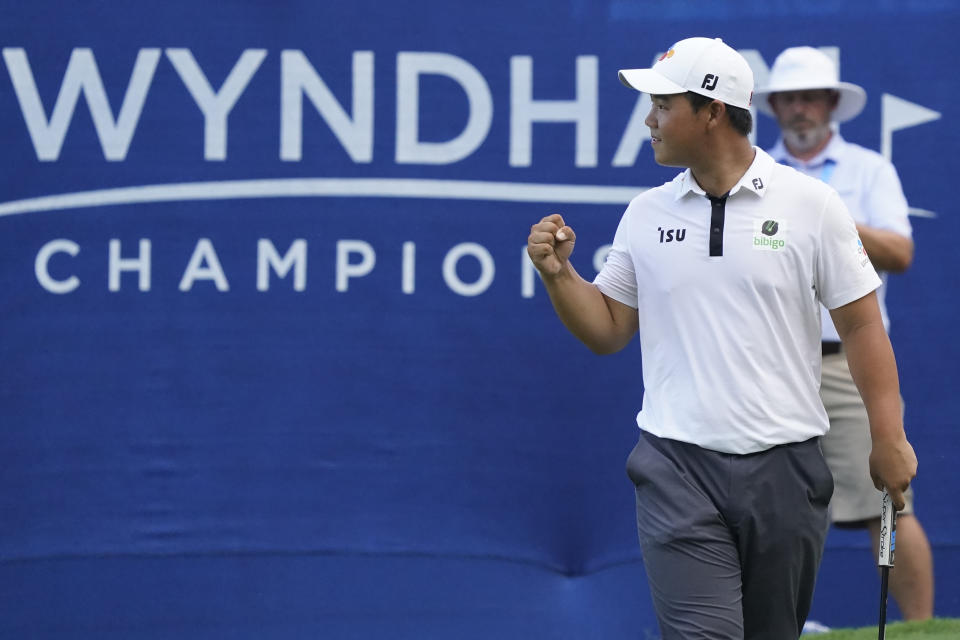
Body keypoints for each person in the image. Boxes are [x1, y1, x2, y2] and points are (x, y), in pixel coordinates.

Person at [526, 37, 918, 639]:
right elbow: (607, 330)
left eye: (662, 105)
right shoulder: (646, 214)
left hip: (787, 468)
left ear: (710, 110)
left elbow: (862, 324)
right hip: (674, 466)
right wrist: (560, 278)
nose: (650, 120)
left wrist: (888, 437)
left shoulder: (811, 205)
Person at [754, 45, 934, 621]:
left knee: (888, 503)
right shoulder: (759, 174)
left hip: (847, 362)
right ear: (775, 108)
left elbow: (900, 251)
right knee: (768, 508)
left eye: (810, 98)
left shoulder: (867, 171)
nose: (800, 109)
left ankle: (922, 631)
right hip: (774, 362)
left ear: (831, 104)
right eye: (789, 100)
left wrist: (827, 217)